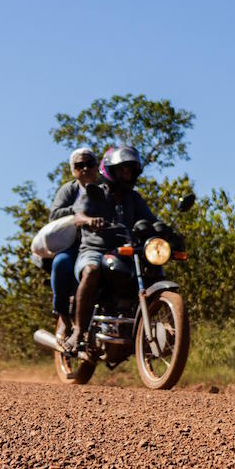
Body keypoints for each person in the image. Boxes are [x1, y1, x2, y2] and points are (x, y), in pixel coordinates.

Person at [64, 145, 157, 359]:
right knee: (92, 271)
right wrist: (89, 220)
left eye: (130, 170)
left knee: (151, 270)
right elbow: (78, 216)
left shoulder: (134, 199)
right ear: (111, 171)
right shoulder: (95, 193)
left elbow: (151, 220)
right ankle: (78, 331)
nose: (127, 174)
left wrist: (165, 230)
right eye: (122, 170)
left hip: (124, 252)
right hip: (94, 250)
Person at [46, 148, 100, 344]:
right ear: (73, 170)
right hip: (74, 244)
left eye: (89, 164)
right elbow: (54, 215)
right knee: (61, 264)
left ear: (97, 166)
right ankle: (63, 314)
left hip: (102, 243)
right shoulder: (69, 190)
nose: (85, 168)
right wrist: (77, 212)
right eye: (79, 165)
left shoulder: (107, 188)